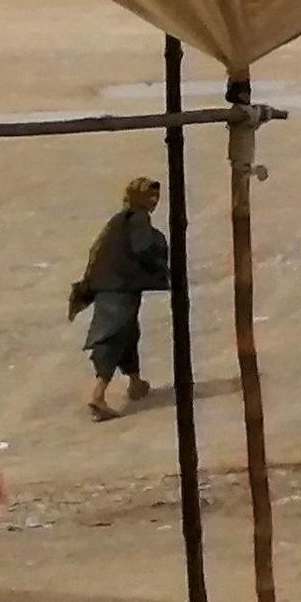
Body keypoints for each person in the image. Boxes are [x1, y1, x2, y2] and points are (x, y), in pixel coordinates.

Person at [69, 175, 174, 421]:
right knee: (113, 335)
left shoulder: (119, 220)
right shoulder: (138, 219)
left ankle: (135, 382)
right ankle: (98, 395)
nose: (154, 200)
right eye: (150, 195)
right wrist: (162, 262)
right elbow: (143, 248)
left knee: (127, 332)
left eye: (156, 196)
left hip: (109, 285)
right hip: (120, 288)